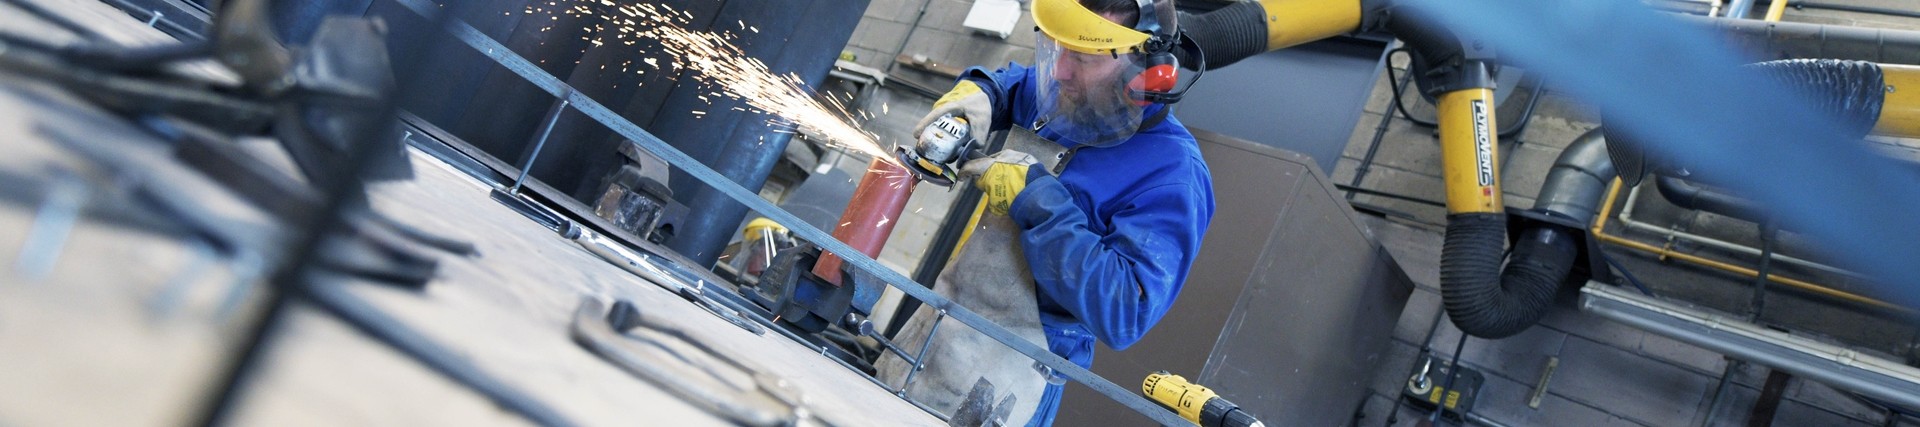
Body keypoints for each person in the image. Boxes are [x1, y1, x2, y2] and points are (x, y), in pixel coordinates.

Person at [912, 0, 1214, 424]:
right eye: (1057, 49)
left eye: (1083, 57)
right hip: (937, 331)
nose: (1059, 72)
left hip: (1012, 380)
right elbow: (1014, 84)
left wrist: (1037, 201)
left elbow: (1124, 311)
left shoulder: (1172, 175)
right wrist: (978, 96)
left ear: (1147, 70)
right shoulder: (1067, 97)